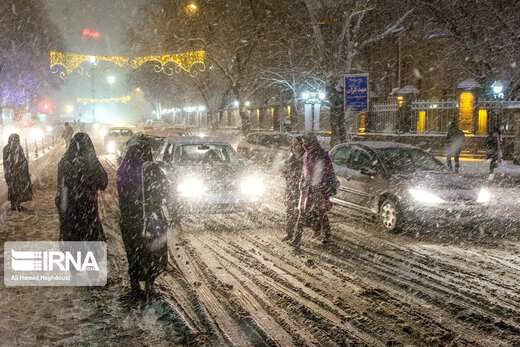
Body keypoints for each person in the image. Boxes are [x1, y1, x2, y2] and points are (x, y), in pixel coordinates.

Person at [117, 138, 168, 293]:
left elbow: (121, 191)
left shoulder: (124, 168)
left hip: (130, 218)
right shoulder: (152, 169)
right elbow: (165, 188)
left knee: (133, 250)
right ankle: (150, 283)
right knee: (152, 250)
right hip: (151, 216)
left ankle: (134, 283)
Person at [56, 133, 108, 242]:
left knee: (73, 240)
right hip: (87, 208)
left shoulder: (64, 161)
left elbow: (61, 185)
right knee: (88, 239)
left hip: (69, 208)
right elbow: (103, 182)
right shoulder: (91, 162)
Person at [291, 133, 337, 248]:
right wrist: (302, 182)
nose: (303, 144)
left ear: (311, 142)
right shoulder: (307, 154)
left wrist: (320, 186)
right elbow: (304, 171)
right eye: (303, 141)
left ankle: (327, 237)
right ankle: (297, 239)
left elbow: (324, 172)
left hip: (317, 190)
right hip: (307, 189)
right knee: (303, 213)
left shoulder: (320, 154)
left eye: (305, 141)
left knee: (320, 213)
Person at [281, 136, 304, 241]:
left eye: (297, 144)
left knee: (301, 213)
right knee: (290, 210)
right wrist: (286, 173)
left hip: (300, 188)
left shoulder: (305, 157)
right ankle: (289, 233)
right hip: (291, 187)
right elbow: (286, 169)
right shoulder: (291, 156)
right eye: (293, 144)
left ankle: (297, 236)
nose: (294, 147)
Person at [3, 134, 32, 211]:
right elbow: (21, 160)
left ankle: (15, 205)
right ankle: (16, 206)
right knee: (17, 189)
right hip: (17, 173)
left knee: (13, 189)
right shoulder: (17, 148)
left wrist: (7, 172)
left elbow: (7, 162)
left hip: (12, 173)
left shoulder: (7, 148)